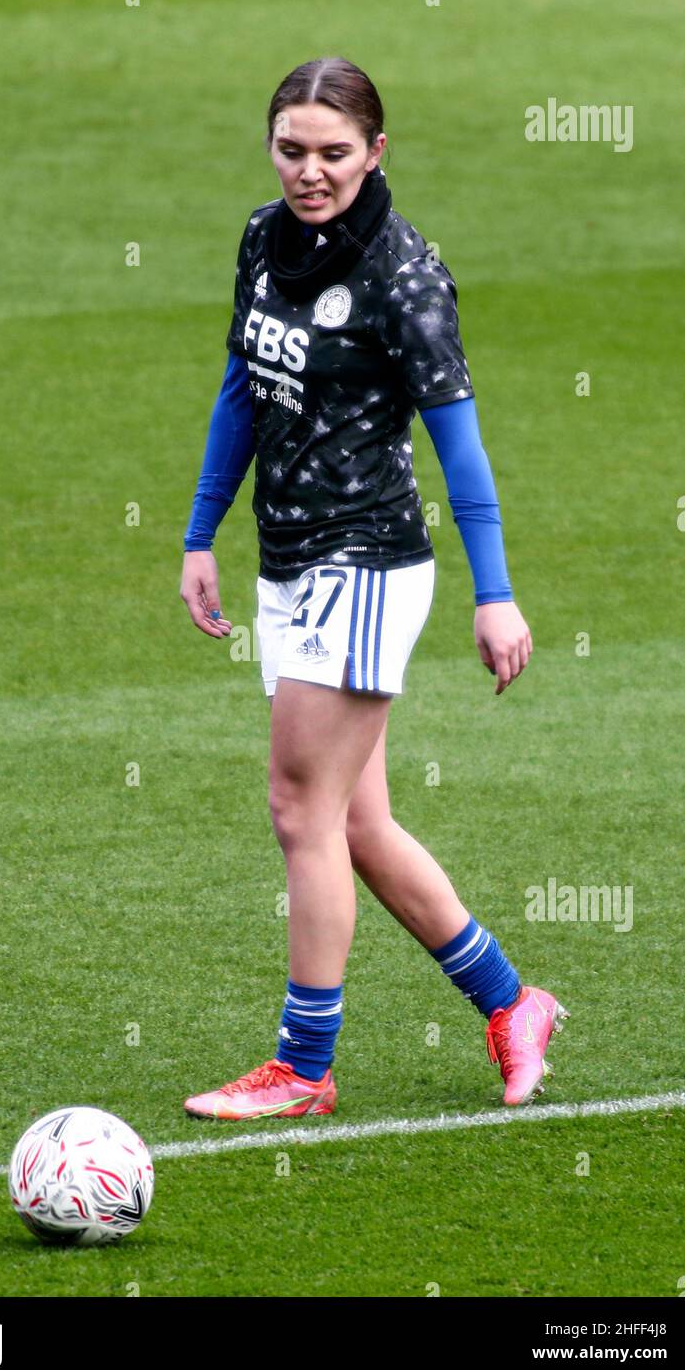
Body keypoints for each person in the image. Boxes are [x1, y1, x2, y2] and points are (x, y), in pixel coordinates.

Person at [179, 57, 568, 1120]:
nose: (309, 171)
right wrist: (199, 528)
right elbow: (239, 388)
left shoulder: (404, 278)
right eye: (291, 148)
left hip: (366, 564)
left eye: (333, 153)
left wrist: (495, 594)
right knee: (354, 824)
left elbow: (463, 455)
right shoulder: (263, 239)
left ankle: (303, 1067)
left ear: (375, 152)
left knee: (297, 810)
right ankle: (510, 1002)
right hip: (287, 563)